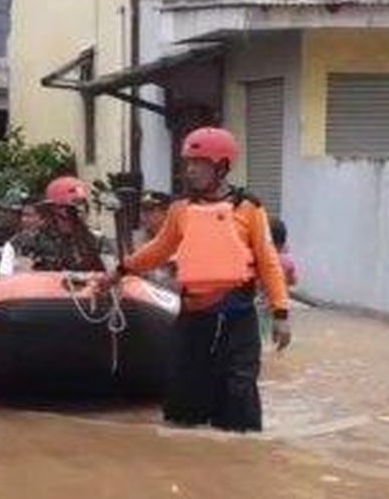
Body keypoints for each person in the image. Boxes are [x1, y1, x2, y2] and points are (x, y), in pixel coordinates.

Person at [117, 127, 291, 433]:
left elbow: (268, 261)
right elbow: (157, 251)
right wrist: (119, 271)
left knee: (239, 395)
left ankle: (239, 459)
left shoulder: (249, 208)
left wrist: (281, 313)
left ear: (222, 166)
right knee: (184, 402)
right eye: (188, 163)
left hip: (237, 317)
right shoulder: (180, 210)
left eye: (200, 163)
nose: (191, 170)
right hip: (194, 317)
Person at [29, 176, 106, 273]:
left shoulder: (96, 239)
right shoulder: (31, 241)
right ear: (55, 208)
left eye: (83, 203)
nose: (80, 209)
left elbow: (110, 273)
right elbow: (20, 278)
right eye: (74, 204)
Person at [137, 191, 176, 290]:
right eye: (142, 210)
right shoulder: (141, 240)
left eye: (150, 210)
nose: (144, 215)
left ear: (167, 212)